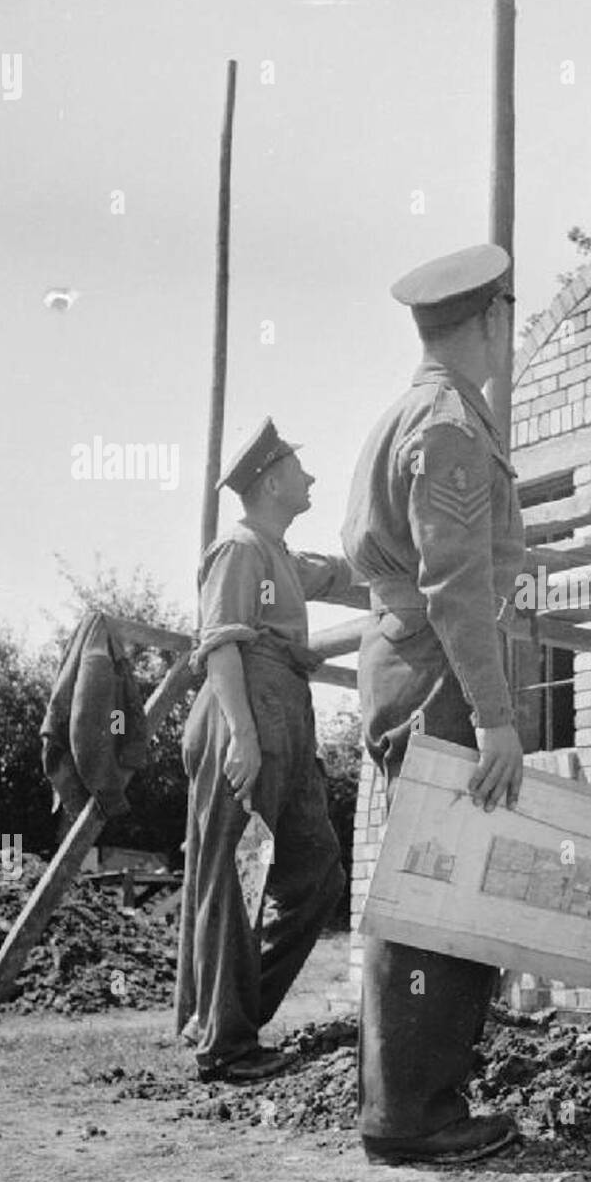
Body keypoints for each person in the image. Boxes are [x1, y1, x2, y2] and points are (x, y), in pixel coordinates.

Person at [341, 243, 526, 1165]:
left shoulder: (404, 413)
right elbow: (455, 584)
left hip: (408, 662)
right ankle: (415, 1116)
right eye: (508, 321)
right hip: (441, 674)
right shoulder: (450, 422)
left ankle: (411, 1104)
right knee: (442, 893)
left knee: (431, 883)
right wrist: (496, 718)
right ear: (489, 321)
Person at [176, 419, 360, 1082]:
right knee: (234, 877)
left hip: (286, 707)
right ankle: (227, 1044)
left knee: (317, 871)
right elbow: (220, 642)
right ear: (273, 480)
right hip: (244, 707)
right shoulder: (238, 548)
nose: (310, 479)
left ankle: (235, 1017)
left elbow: (347, 571)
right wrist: (244, 738)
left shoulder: (280, 555)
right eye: (301, 470)